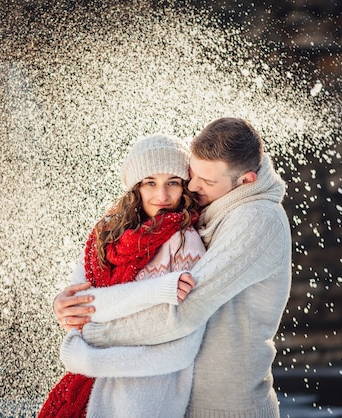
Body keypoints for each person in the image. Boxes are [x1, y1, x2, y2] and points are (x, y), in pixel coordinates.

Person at [54, 117, 292, 417]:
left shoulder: (256, 220)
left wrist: (87, 330)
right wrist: (65, 305)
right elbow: (92, 280)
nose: (193, 186)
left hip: (227, 409)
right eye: (192, 174)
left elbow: (182, 311)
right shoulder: (209, 206)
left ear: (245, 181)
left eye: (205, 182)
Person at [38, 133, 207, 417]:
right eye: (150, 183)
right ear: (135, 187)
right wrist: (62, 307)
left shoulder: (185, 243)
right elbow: (78, 309)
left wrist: (89, 359)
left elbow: (179, 346)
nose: (162, 196)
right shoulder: (104, 237)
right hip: (92, 393)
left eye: (173, 183)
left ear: (185, 187)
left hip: (147, 399)